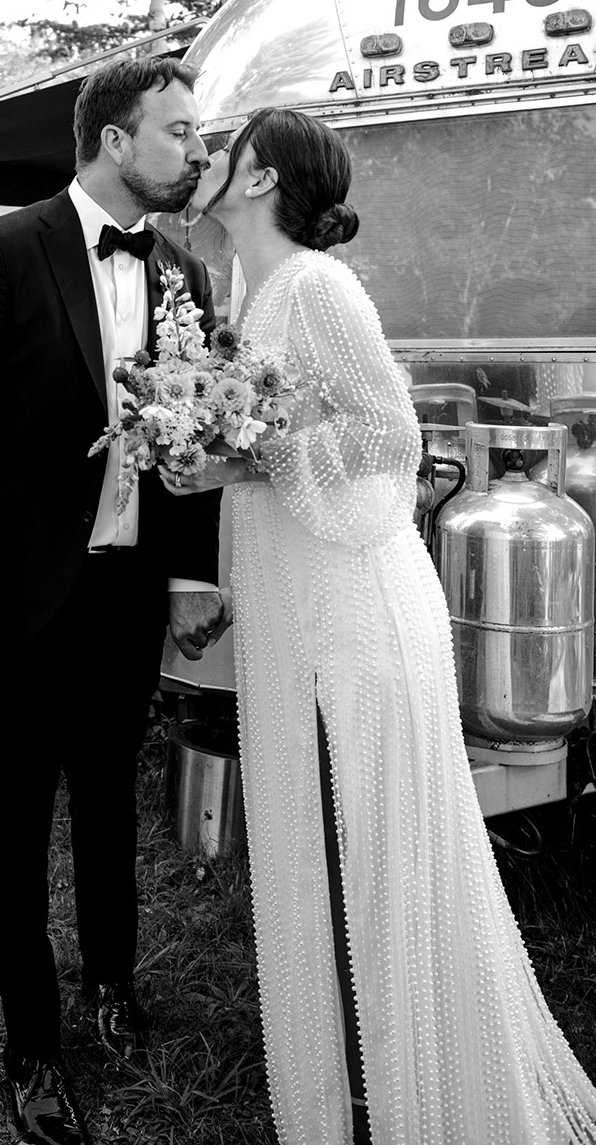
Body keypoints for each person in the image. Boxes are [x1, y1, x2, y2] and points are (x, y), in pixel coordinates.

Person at [164, 107, 596, 1145]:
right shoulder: (242, 290)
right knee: (303, 832)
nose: (199, 156)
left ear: (261, 177)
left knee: (384, 841)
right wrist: (212, 458)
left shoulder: (316, 285)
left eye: (217, 146)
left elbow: (389, 434)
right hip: (284, 584)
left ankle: (427, 1092)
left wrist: (255, 458)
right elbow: (276, 433)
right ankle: (329, 1095)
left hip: (353, 595)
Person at [0, 56, 224, 1145]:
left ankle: (112, 984)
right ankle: (33, 1047)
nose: (195, 151)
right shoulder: (1, 250)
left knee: (105, 800)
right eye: (178, 132)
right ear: (114, 140)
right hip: (24, 594)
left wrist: (188, 574)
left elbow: (194, 435)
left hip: (130, 591)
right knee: (13, 817)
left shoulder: (184, 271)